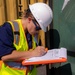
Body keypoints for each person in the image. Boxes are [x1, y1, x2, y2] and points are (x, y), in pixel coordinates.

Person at [0, 2, 53, 75]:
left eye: (40, 29)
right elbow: (5, 56)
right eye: (38, 28)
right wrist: (33, 53)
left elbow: (35, 57)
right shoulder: (8, 28)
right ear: (29, 19)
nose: (38, 31)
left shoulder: (34, 34)